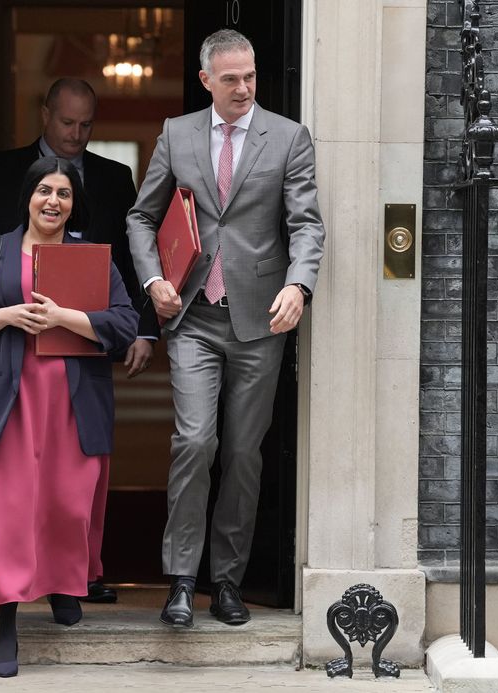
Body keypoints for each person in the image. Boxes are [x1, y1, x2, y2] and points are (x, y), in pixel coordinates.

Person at [126, 29, 325, 629]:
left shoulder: (289, 137)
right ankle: (182, 580)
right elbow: (141, 216)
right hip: (192, 318)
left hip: (260, 320)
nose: (244, 88)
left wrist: (299, 285)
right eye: (231, 79)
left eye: (251, 76)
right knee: (194, 442)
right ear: (206, 80)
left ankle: (229, 581)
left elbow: (306, 224)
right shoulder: (176, 134)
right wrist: (152, 280)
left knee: (242, 452)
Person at [0, 157, 138, 678]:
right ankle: (7, 627)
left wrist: (64, 317)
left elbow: (125, 324)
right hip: (10, 400)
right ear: (28, 195)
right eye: (45, 190)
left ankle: (65, 585)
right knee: (14, 515)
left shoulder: (90, 258)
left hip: (72, 402)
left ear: (73, 204)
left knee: (67, 505)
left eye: (64, 194)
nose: (53, 201)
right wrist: (9, 316)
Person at [0, 78, 155, 604]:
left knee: (70, 494)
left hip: (77, 378)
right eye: (68, 122)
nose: (76, 134)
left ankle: (69, 582)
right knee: (15, 500)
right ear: (45, 115)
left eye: (87, 125)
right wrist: (6, 314)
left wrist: (105, 322)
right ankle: (11, 606)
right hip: (10, 379)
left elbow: (129, 273)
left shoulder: (111, 185)